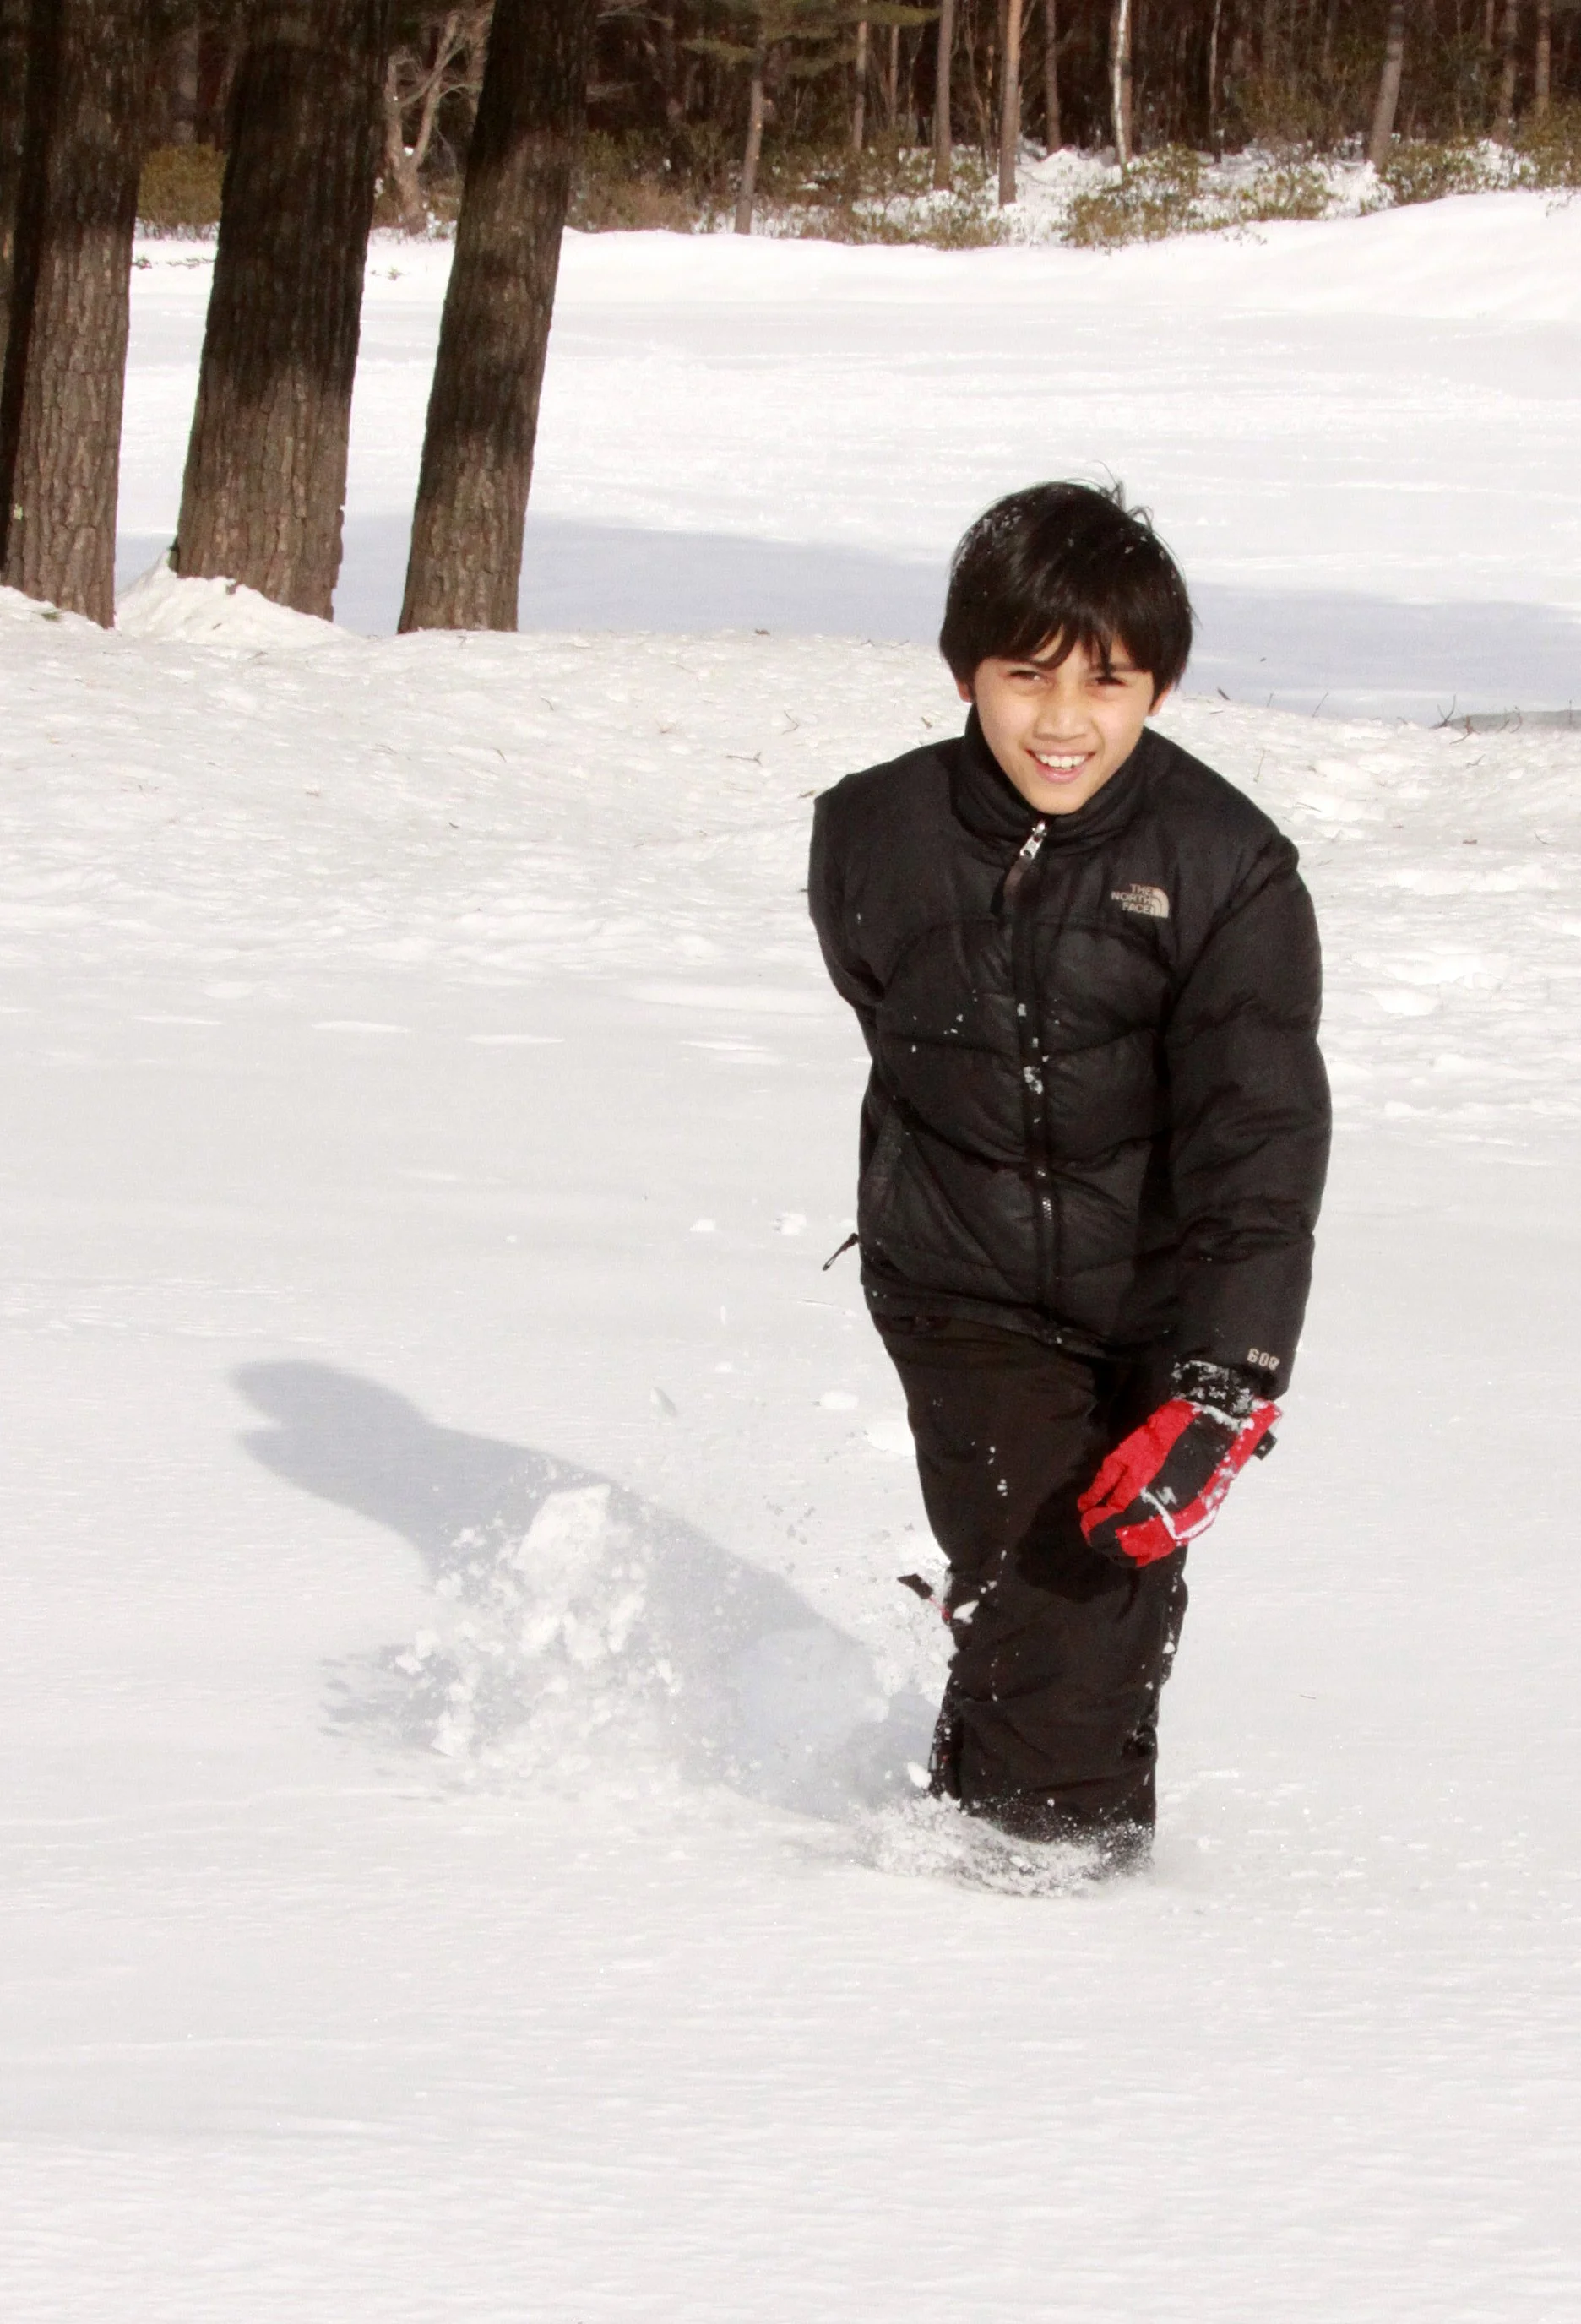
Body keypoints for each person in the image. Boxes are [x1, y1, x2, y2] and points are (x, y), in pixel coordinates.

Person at [808, 481, 1330, 1865]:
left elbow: (1260, 1137)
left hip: (1157, 1296)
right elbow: (895, 1021)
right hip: (961, 1289)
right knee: (1067, 1597)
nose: (1063, 720)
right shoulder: (872, 832)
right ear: (965, 673)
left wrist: (1225, 1384)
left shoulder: (1226, 865)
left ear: (1157, 686)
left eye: (1107, 681)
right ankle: (1041, 1908)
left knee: (1104, 1606)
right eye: (1026, 674)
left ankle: (997, 1853)